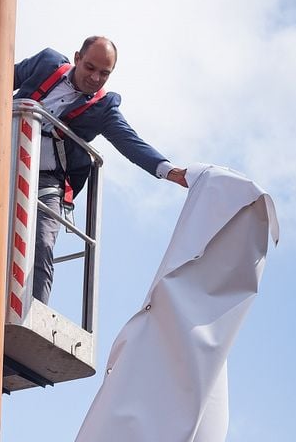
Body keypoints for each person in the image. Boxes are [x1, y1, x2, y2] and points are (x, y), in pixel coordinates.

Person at [13, 36, 188, 304]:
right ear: (77, 58)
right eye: (91, 68)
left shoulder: (103, 108)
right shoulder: (46, 63)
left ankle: (32, 314)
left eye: (104, 73)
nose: (95, 78)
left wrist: (170, 171)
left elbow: (129, 142)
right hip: (2, 160)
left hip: (45, 178)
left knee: (41, 243)